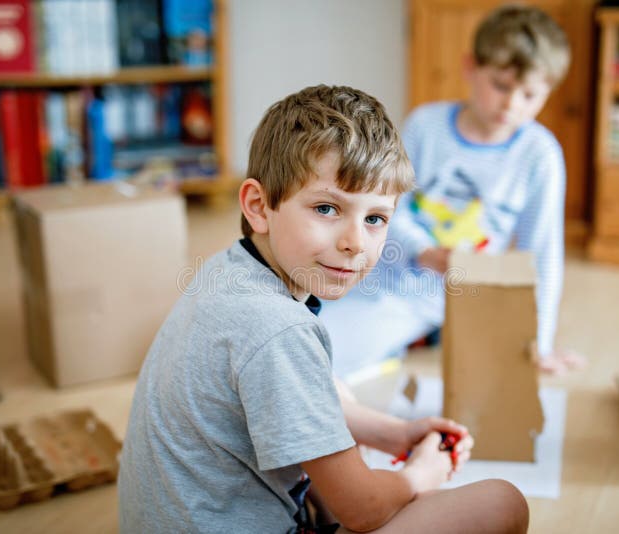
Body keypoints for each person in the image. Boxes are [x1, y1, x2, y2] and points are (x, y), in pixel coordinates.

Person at [118, 85, 529, 533]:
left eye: (375, 218)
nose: (355, 241)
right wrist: (418, 476)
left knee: (333, 389)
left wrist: (391, 433)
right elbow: (363, 509)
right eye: (327, 208)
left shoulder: (228, 270)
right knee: (502, 503)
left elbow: (302, 394)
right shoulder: (278, 332)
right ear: (259, 206)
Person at [321, 5, 584, 377]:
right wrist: (423, 251)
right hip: (374, 264)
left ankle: (411, 338)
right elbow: (382, 208)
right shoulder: (425, 126)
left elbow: (542, 254)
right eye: (501, 86)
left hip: (431, 298)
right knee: (281, 308)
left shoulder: (540, 155)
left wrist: (537, 343)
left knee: (320, 351)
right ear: (470, 68)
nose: (512, 104)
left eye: (530, 94)